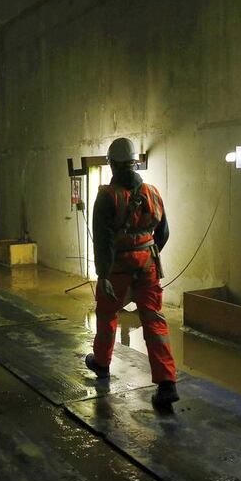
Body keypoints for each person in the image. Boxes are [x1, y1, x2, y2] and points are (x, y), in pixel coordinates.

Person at [84, 137, 179, 411]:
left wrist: (103, 274)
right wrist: (147, 254)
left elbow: (102, 241)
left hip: (118, 268)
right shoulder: (152, 192)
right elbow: (164, 233)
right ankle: (166, 383)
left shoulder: (107, 196)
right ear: (135, 163)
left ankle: (101, 363)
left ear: (111, 164)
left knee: (106, 313)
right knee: (154, 320)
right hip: (147, 265)